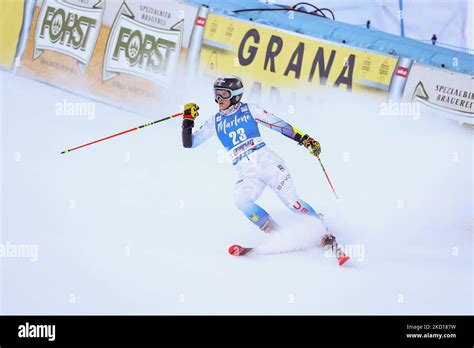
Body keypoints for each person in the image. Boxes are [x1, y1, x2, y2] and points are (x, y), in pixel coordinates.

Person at [181, 76, 348, 265]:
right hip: (247, 172)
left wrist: (305, 140)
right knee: (241, 200)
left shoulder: (249, 109)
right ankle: (279, 235)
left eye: (224, 94)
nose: (219, 99)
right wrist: (188, 119)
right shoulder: (215, 121)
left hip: (268, 163)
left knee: (293, 203)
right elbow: (190, 143)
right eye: (216, 94)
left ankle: (324, 231)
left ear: (235, 96)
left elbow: (278, 125)